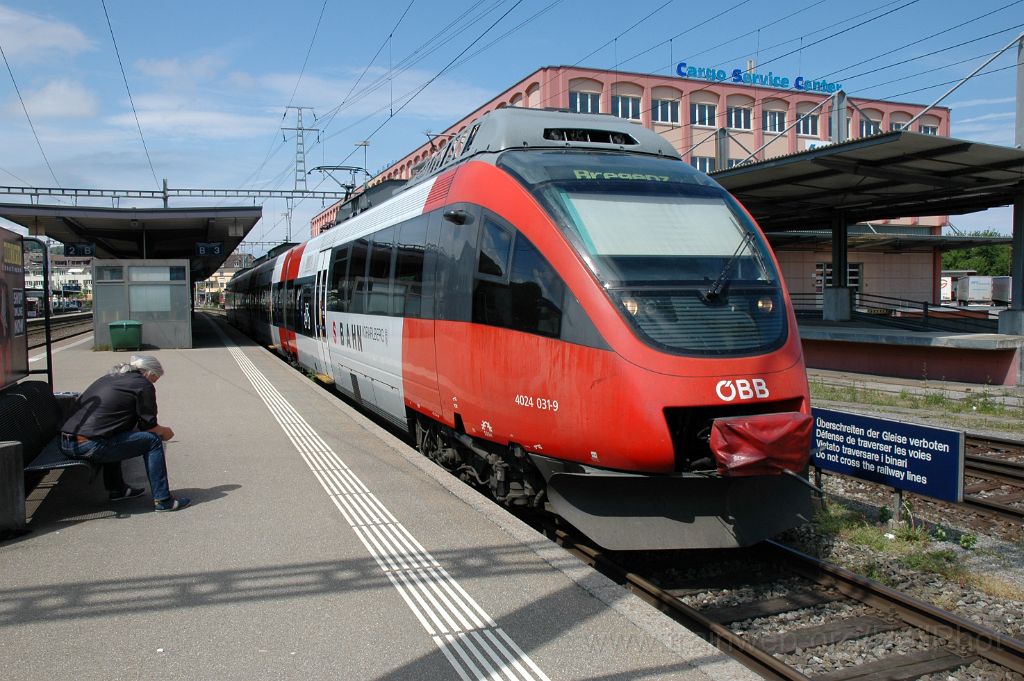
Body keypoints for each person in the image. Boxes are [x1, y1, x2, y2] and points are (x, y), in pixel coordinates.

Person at [60, 355, 190, 512]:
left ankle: (118, 489)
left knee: (118, 434)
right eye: (154, 379)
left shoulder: (111, 378)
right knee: (153, 441)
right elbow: (150, 427)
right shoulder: (143, 385)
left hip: (66, 442)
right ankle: (163, 500)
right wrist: (165, 432)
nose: (153, 383)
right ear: (149, 373)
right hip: (89, 445)